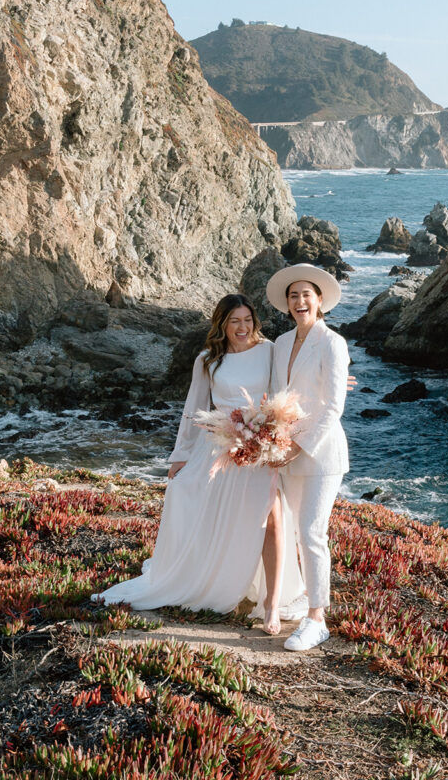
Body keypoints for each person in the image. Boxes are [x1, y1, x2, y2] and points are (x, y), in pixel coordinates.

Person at [95, 294, 304, 632]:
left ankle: (271, 604)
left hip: (260, 448)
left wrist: (331, 387)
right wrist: (180, 455)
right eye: (234, 320)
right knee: (222, 519)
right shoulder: (208, 360)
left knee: (273, 521)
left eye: (247, 319)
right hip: (219, 448)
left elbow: (290, 386)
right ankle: (226, 585)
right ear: (221, 323)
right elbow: (193, 409)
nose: (242, 327)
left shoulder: (269, 351)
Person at [266, 263, 350, 651]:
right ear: (287, 304)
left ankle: (318, 619)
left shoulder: (333, 343)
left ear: (319, 302)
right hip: (286, 452)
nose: (300, 301)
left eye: (306, 295)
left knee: (313, 533)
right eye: (293, 295)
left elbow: (333, 407)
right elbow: (274, 395)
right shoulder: (281, 343)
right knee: (297, 531)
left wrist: (296, 445)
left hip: (320, 454)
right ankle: (305, 595)